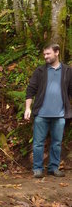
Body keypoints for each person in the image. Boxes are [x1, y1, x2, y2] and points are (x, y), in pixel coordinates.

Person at [24, 43, 72, 178]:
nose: (45, 56)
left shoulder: (68, 71)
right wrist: (27, 108)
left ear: (56, 52)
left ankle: (53, 168)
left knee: (56, 143)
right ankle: (37, 168)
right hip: (41, 114)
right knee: (38, 143)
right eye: (44, 54)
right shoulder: (40, 71)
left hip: (60, 115)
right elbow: (30, 90)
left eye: (48, 54)